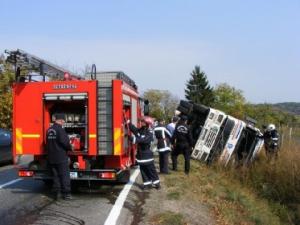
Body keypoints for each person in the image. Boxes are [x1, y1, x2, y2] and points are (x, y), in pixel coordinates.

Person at [128, 116, 161, 190]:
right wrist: (129, 123)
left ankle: (157, 183)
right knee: (143, 170)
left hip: (147, 154)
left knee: (151, 170)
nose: (141, 122)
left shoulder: (149, 132)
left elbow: (144, 140)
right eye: (141, 121)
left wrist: (132, 139)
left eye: (143, 121)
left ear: (147, 123)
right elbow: (135, 130)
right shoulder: (141, 130)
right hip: (140, 155)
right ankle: (147, 184)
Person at [46, 113, 72, 200]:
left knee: (56, 176)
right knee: (64, 175)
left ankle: (57, 193)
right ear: (60, 120)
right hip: (60, 157)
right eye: (63, 121)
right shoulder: (60, 130)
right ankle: (66, 194)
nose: (64, 122)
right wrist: (70, 147)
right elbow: (65, 142)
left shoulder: (49, 130)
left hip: (51, 157)